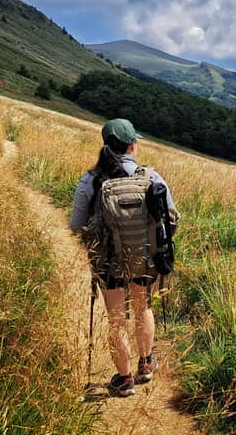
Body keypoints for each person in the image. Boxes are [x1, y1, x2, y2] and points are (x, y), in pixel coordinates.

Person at [69, 118, 179, 397]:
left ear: (106, 145)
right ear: (133, 145)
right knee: (143, 307)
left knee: (116, 317)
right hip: (144, 258)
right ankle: (146, 364)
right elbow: (172, 218)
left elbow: (75, 224)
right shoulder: (150, 177)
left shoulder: (91, 179)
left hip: (108, 260)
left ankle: (123, 378)